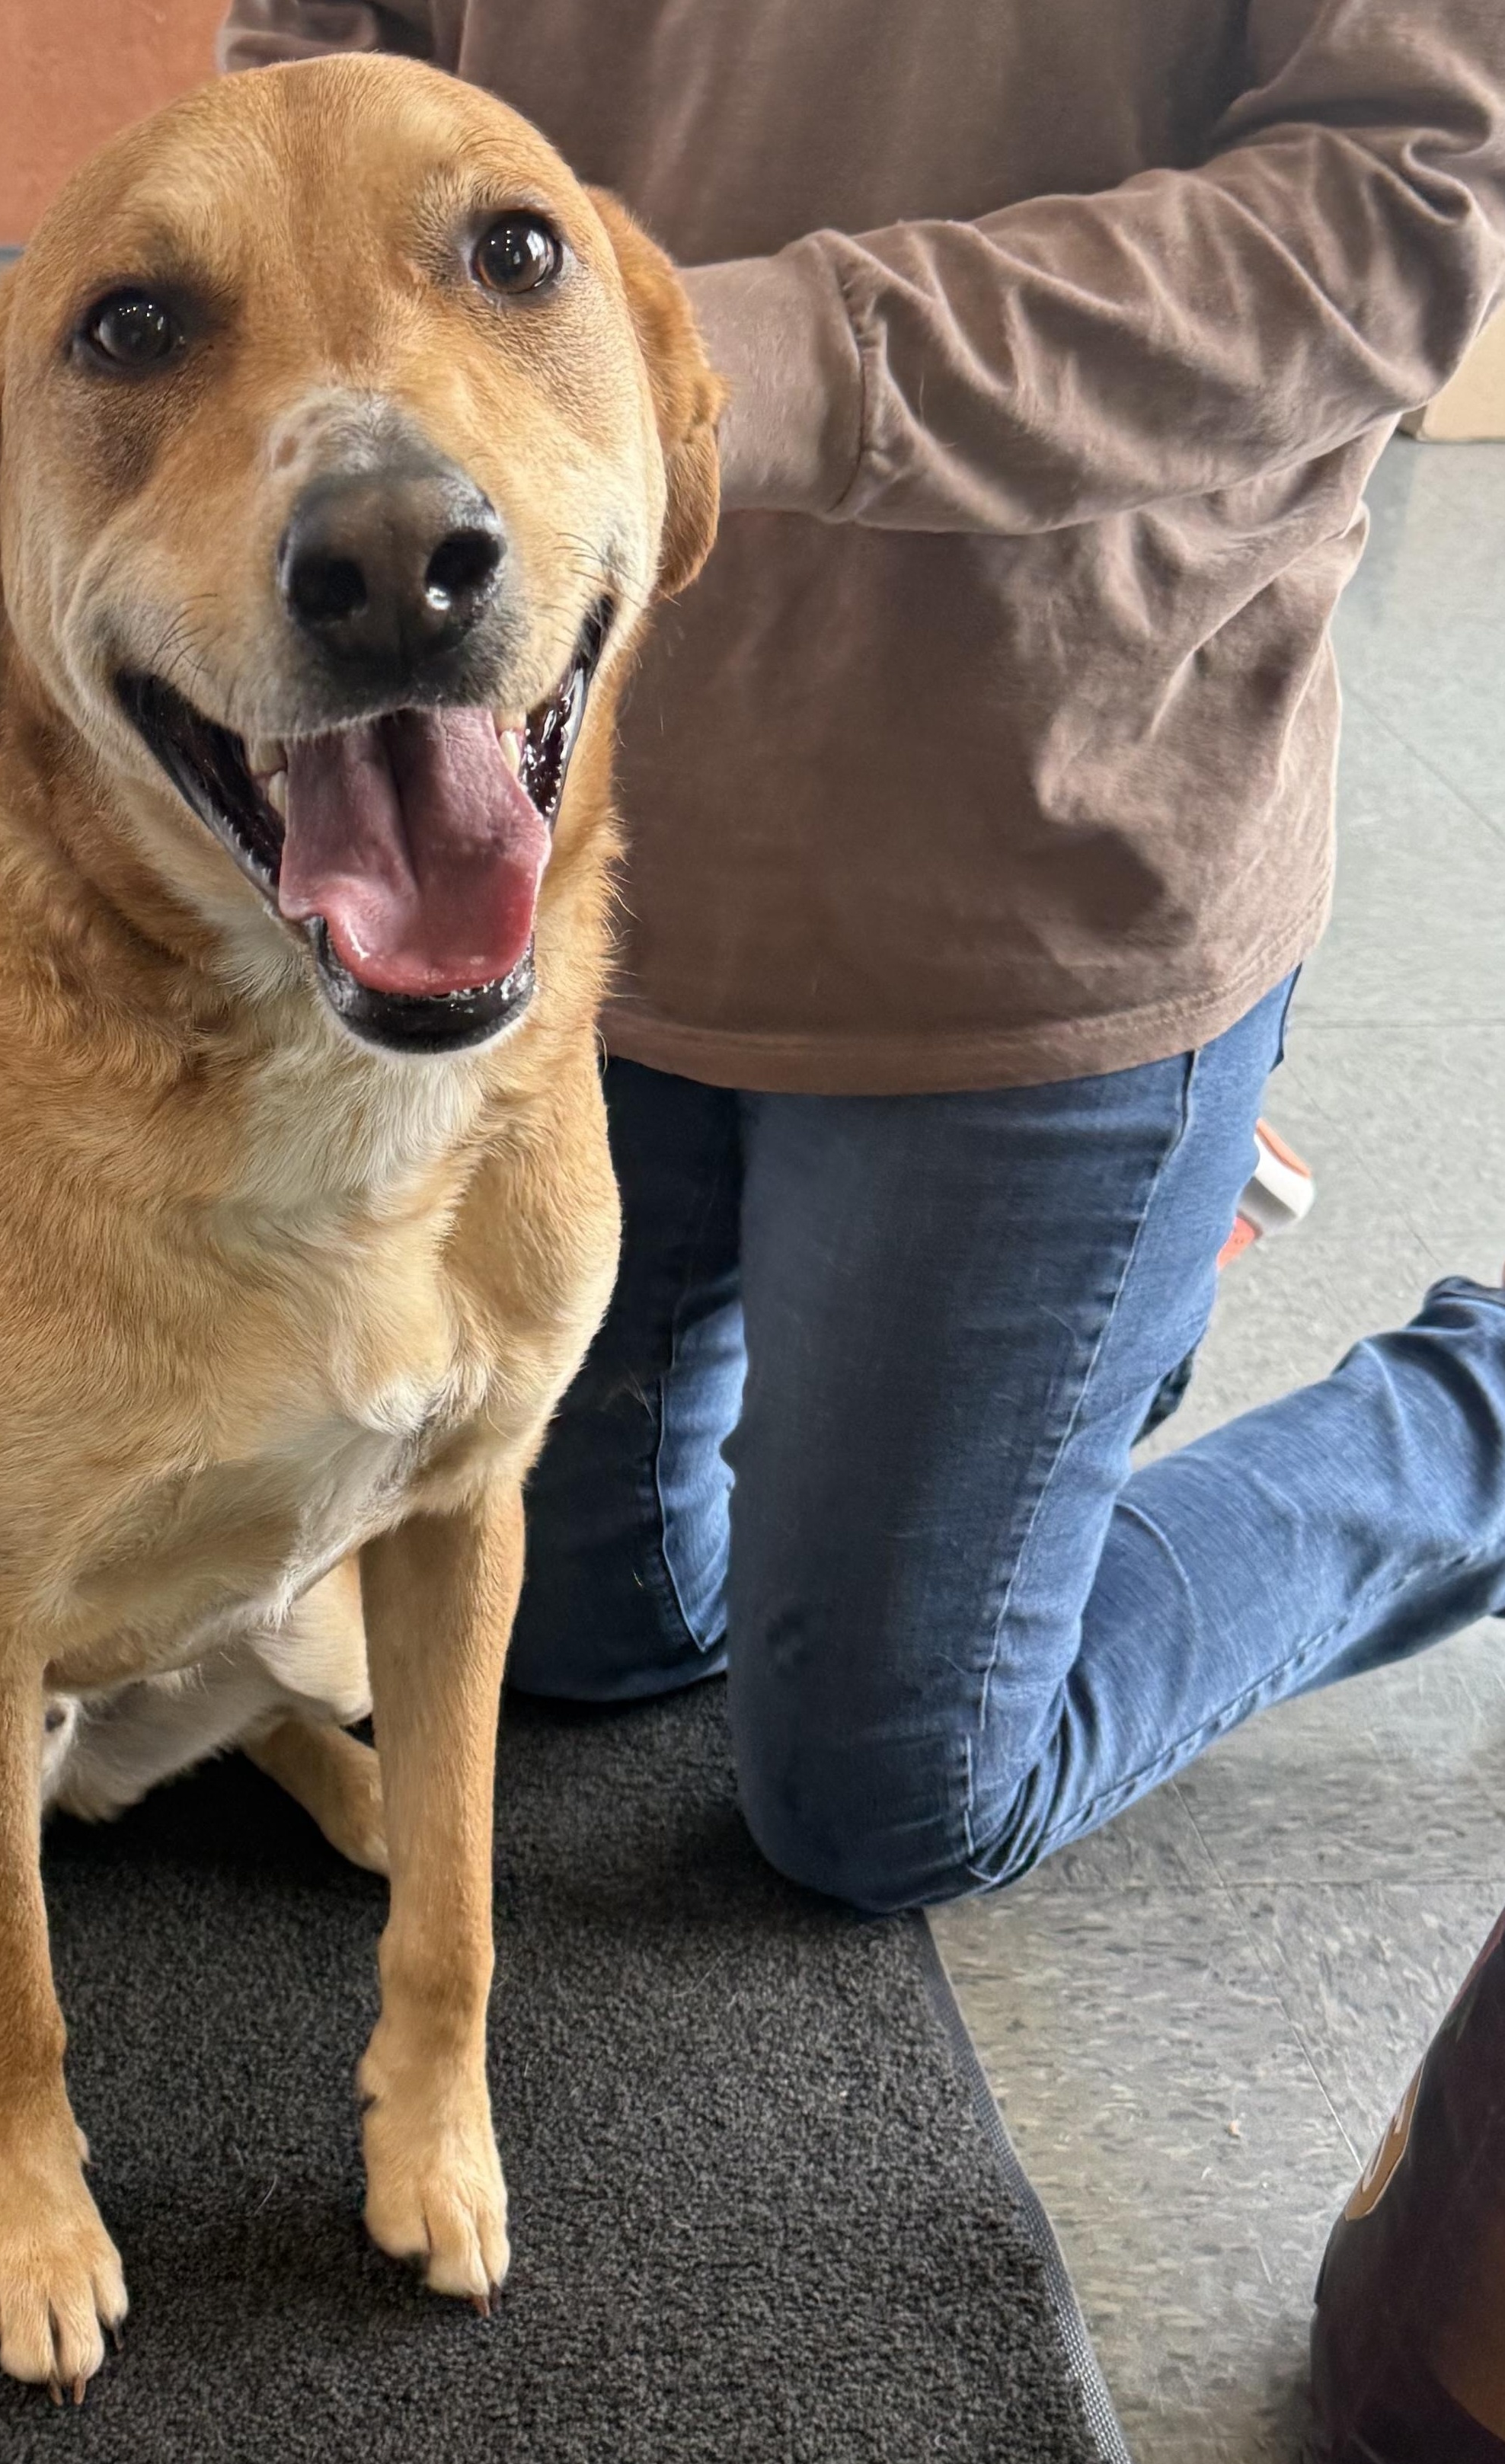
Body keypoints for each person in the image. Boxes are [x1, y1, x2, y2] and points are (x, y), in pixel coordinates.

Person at [219, 1, 1505, 1913]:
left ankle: (1460, 1413)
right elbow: (315, 57)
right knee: (556, 1626)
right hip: (564, 831)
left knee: (886, 1794)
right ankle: (1034, 1296)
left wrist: (726, 349)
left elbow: (1391, 204)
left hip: (1042, 841)